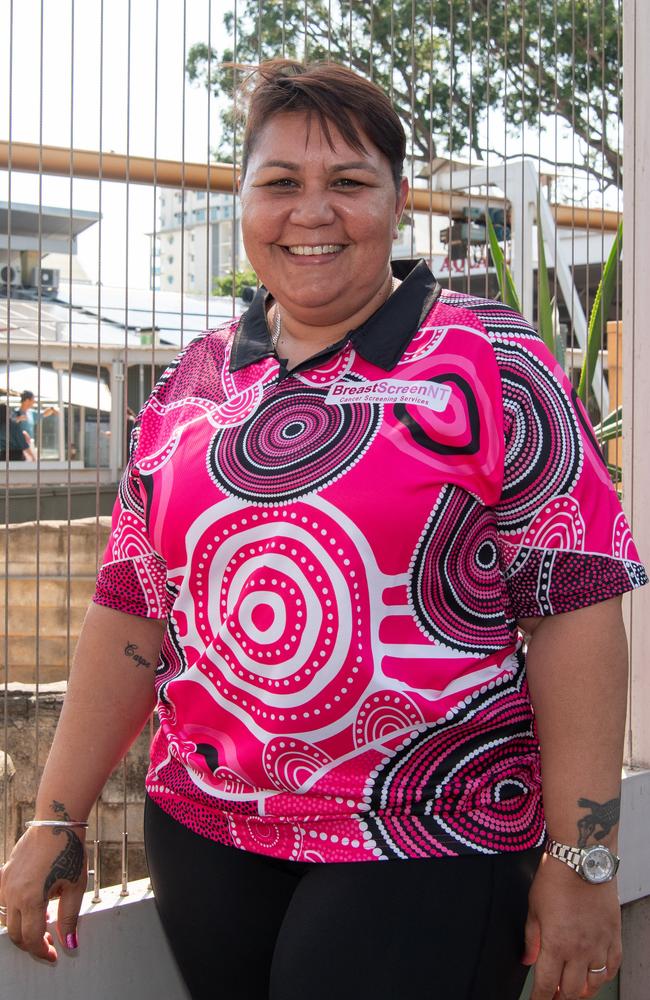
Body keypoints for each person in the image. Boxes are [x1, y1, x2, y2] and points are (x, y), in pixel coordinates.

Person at [0, 60, 646, 1000]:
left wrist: (584, 858)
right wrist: (55, 817)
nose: (313, 212)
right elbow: (133, 611)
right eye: (280, 183)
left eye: (348, 182)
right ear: (242, 201)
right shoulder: (196, 385)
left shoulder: (495, 363)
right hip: (208, 837)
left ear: (397, 201)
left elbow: (577, 608)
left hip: (429, 834)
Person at [13, 389, 58, 460]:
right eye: (33, 400)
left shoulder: (31, 413)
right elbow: (8, 426)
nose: (34, 402)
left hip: (30, 444)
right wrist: (18, 419)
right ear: (27, 400)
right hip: (19, 446)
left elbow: (44, 413)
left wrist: (52, 409)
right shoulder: (15, 413)